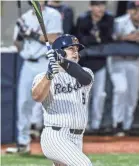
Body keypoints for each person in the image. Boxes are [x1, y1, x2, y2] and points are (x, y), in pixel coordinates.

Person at [6, 0, 63, 153]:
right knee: (23, 103)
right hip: (28, 63)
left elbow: (55, 39)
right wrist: (20, 35)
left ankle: (59, 144)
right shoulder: (24, 18)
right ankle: (23, 143)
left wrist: (32, 33)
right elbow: (18, 46)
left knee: (51, 104)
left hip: (46, 63)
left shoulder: (53, 14)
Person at [32, 34, 94, 166]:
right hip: (55, 136)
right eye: (71, 49)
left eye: (77, 50)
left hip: (77, 138)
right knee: (84, 164)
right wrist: (49, 75)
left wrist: (61, 60)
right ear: (59, 50)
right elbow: (37, 97)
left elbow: (85, 79)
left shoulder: (86, 72)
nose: (76, 52)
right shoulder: (43, 77)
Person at [76, 1, 114, 133]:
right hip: (85, 62)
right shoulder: (83, 19)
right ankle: (83, 124)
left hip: (101, 62)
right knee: (85, 95)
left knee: (99, 95)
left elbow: (107, 38)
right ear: (91, 7)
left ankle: (96, 125)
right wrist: (95, 40)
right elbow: (80, 39)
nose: (100, 8)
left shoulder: (108, 19)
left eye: (102, 5)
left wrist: (94, 40)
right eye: (97, 5)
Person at [108, 1, 139, 136]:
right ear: (129, 10)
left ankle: (127, 125)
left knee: (132, 95)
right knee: (121, 90)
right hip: (118, 60)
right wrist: (126, 37)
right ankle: (117, 123)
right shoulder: (119, 22)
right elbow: (110, 38)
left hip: (135, 61)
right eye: (134, 9)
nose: (136, 12)